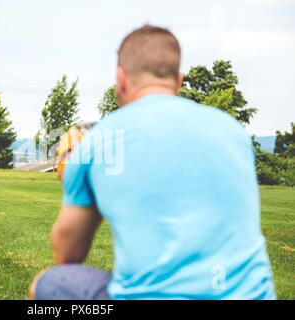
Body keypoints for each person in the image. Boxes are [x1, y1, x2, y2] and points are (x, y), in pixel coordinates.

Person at [29, 24, 276, 300]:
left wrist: (79, 182)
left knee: (46, 283)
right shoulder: (233, 131)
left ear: (121, 80)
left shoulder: (97, 141)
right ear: (178, 81)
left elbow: (67, 254)